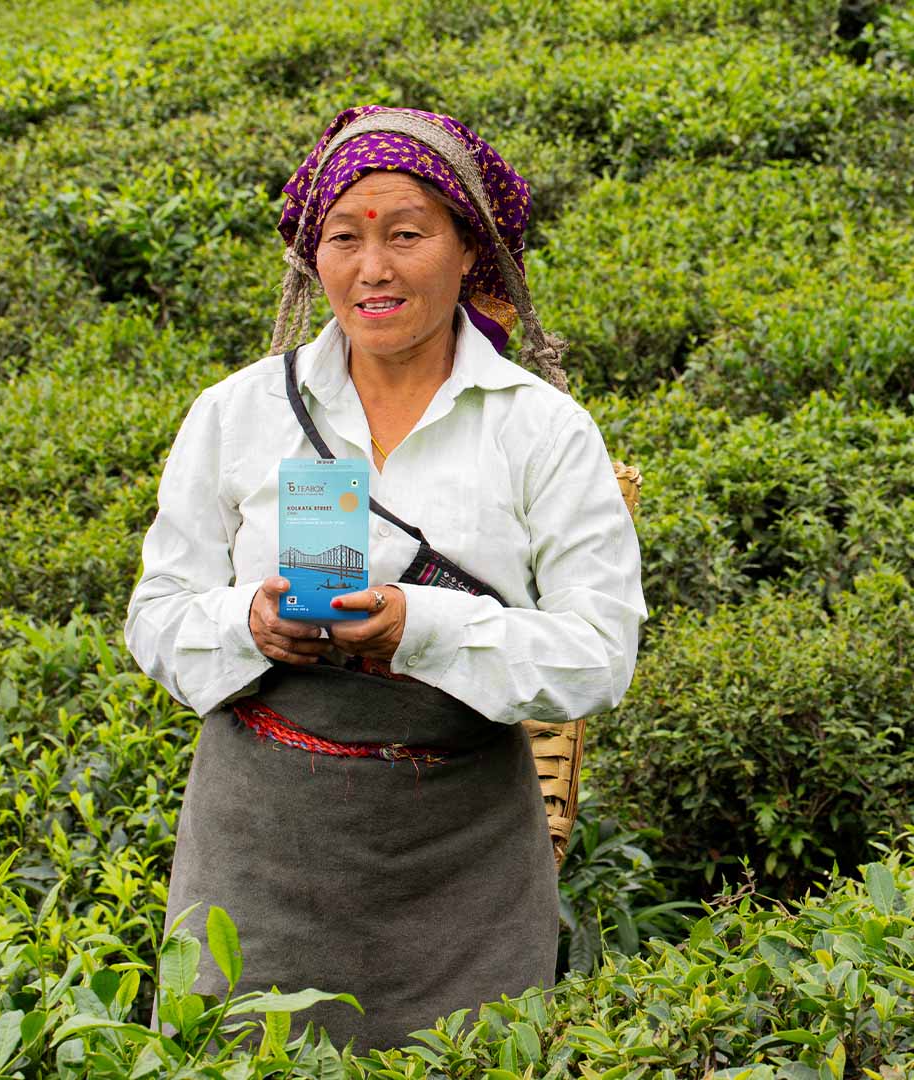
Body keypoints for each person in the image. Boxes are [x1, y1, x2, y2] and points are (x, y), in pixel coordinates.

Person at [125, 106, 647, 1051]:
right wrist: (252, 621)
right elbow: (154, 616)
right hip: (259, 850)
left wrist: (425, 627)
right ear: (311, 256)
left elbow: (601, 654)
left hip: (465, 864)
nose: (373, 267)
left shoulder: (542, 429)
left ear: (468, 249)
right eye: (344, 236)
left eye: (407, 233)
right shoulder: (237, 413)